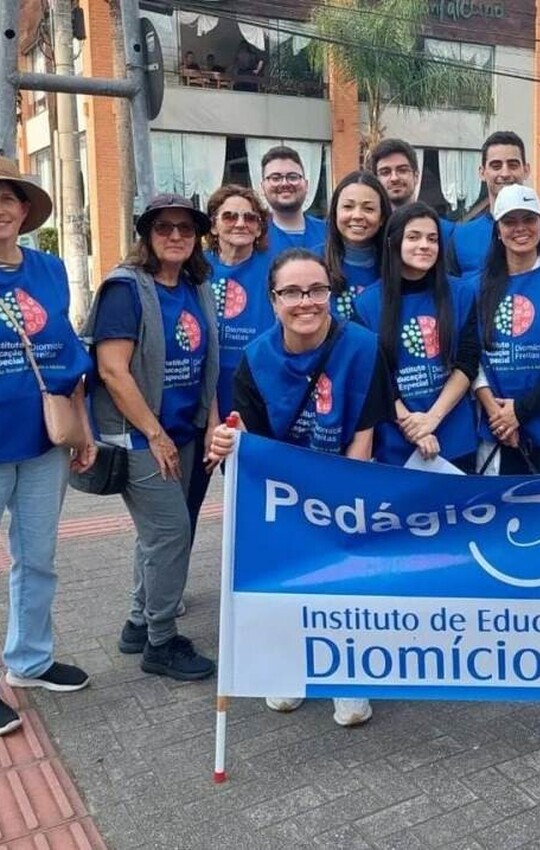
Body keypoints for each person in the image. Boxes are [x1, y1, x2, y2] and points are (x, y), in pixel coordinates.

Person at [207, 248, 393, 725]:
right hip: (286, 489)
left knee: (345, 579)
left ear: (330, 294)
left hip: (345, 481)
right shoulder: (255, 359)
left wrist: (342, 506)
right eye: (291, 292)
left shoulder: (364, 347)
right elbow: (255, 443)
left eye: (316, 290)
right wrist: (230, 442)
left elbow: (364, 434)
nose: (305, 301)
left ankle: (348, 675)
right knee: (288, 578)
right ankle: (289, 667)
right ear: (273, 300)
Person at [82, 194, 219, 682]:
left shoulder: (195, 287)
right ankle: (161, 642)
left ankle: (138, 623)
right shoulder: (125, 289)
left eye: (186, 228)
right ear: (146, 235)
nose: (176, 235)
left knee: (157, 534)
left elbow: (207, 364)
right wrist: (156, 435)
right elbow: (113, 371)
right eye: (164, 227)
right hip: (142, 437)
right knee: (170, 534)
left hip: (184, 430)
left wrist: (211, 423)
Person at [0, 158, 96, 736]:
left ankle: (29, 661)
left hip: (43, 441)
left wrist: (82, 429)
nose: (0, 210)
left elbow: (67, 354)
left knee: (37, 559)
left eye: (8, 198)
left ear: (24, 209)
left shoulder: (49, 270)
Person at [354, 202, 480, 469]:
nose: (424, 245)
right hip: (396, 443)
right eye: (413, 237)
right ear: (393, 242)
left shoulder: (462, 294)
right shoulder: (367, 304)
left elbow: (467, 363)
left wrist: (432, 418)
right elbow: (373, 376)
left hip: (453, 436)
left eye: (432, 239)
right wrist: (412, 427)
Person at [185, 185, 274, 542]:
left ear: (260, 227)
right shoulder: (194, 271)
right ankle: (171, 578)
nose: (241, 223)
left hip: (255, 406)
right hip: (198, 407)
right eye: (230, 216)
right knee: (183, 509)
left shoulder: (274, 270)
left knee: (256, 507)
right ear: (213, 225)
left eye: (250, 217)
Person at [473, 184, 540, 475]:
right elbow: (470, 359)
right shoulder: (475, 288)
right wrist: (498, 415)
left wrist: (520, 412)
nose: (520, 228)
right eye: (510, 221)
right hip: (496, 431)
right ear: (498, 230)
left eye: (529, 219)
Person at [448, 131, 540, 277]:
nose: (505, 173)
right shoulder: (461, 237)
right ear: (482, 173)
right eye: (496, 166)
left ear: (526, 170)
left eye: (513, 165)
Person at [320, 170, 391, 320]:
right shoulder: (313, 263)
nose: (357, 216)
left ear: (382, 217)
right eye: (348, 206)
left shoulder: (396, 265)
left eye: (368, 208)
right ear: (335, 212)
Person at [260, 145, 326, 256]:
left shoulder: (330, 234)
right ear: (262, 187)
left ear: (306, 185)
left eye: (293, 177)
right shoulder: (255, 236)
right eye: (275, 178)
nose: (285, 183)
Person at [368, 138, 420, 211]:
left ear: (416, 176)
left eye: (402, 170)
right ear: (376, 180)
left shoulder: (432, 218)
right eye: (385, 172)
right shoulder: (365, 218)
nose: (394, 178)